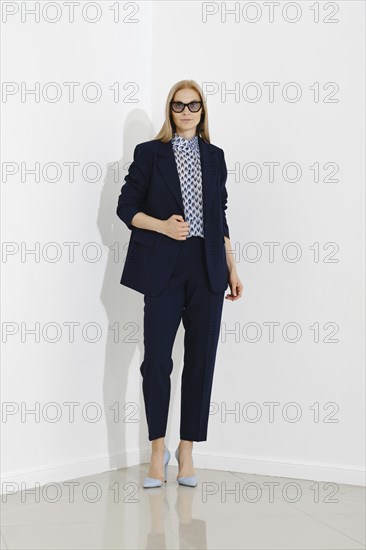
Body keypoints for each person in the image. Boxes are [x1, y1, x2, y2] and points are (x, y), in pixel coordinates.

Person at [116, 79, 243, 488]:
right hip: (164, 267)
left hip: (208, 267)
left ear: (203, 111)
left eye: (194, 105)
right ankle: (158, 451)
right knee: (157, 360)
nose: (186, 111)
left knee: (201, 362)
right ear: (169, 110)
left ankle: (187, 452)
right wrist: (163, 227)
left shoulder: (216, 156)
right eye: (178, 105)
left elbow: (220, 217)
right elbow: (126, 208)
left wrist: (233, 268)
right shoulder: (150, 154)